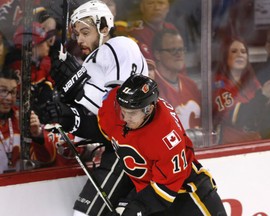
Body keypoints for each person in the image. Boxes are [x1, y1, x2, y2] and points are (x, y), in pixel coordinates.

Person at [41, 1, 148, 215]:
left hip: (135, 148)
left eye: (85, 32)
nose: (79, 39)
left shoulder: (118, 46)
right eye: (76, 34)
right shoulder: (90, 63)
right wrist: (63, 114)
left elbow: (124, 112)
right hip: (121, 148)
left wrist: (79, 88)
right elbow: (99, 123)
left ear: (104, 28)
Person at [73, 74, 227, 216]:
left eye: (132, 113)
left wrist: (135, 208)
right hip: (148, 194)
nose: (125, 117)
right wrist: (71, 120)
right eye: (123, 110)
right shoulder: (115, 105)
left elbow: (165, 189)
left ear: (149, 109)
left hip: (186, 194)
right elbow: (103, 130)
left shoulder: (166, 135)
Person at [212, 36, 270, 144]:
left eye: (243, 52)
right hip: (231, 148)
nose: (240, 55)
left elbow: (269, 114)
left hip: (256, 143)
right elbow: (238, 118)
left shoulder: (251, 82)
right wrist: (263, 95)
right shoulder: (219, 86)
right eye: (234, 51)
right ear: (225, 56)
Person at [152, 28, 201, 130]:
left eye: (181, 49)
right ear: (157, 54)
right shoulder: (151, 87)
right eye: (173, 50)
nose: (179, 54)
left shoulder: (191, 85)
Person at [0, 67, 20, 174]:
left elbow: (45, 159)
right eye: (3, 91)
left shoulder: (21, 119)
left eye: (13, 92)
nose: (9, 98)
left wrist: (37, 135)